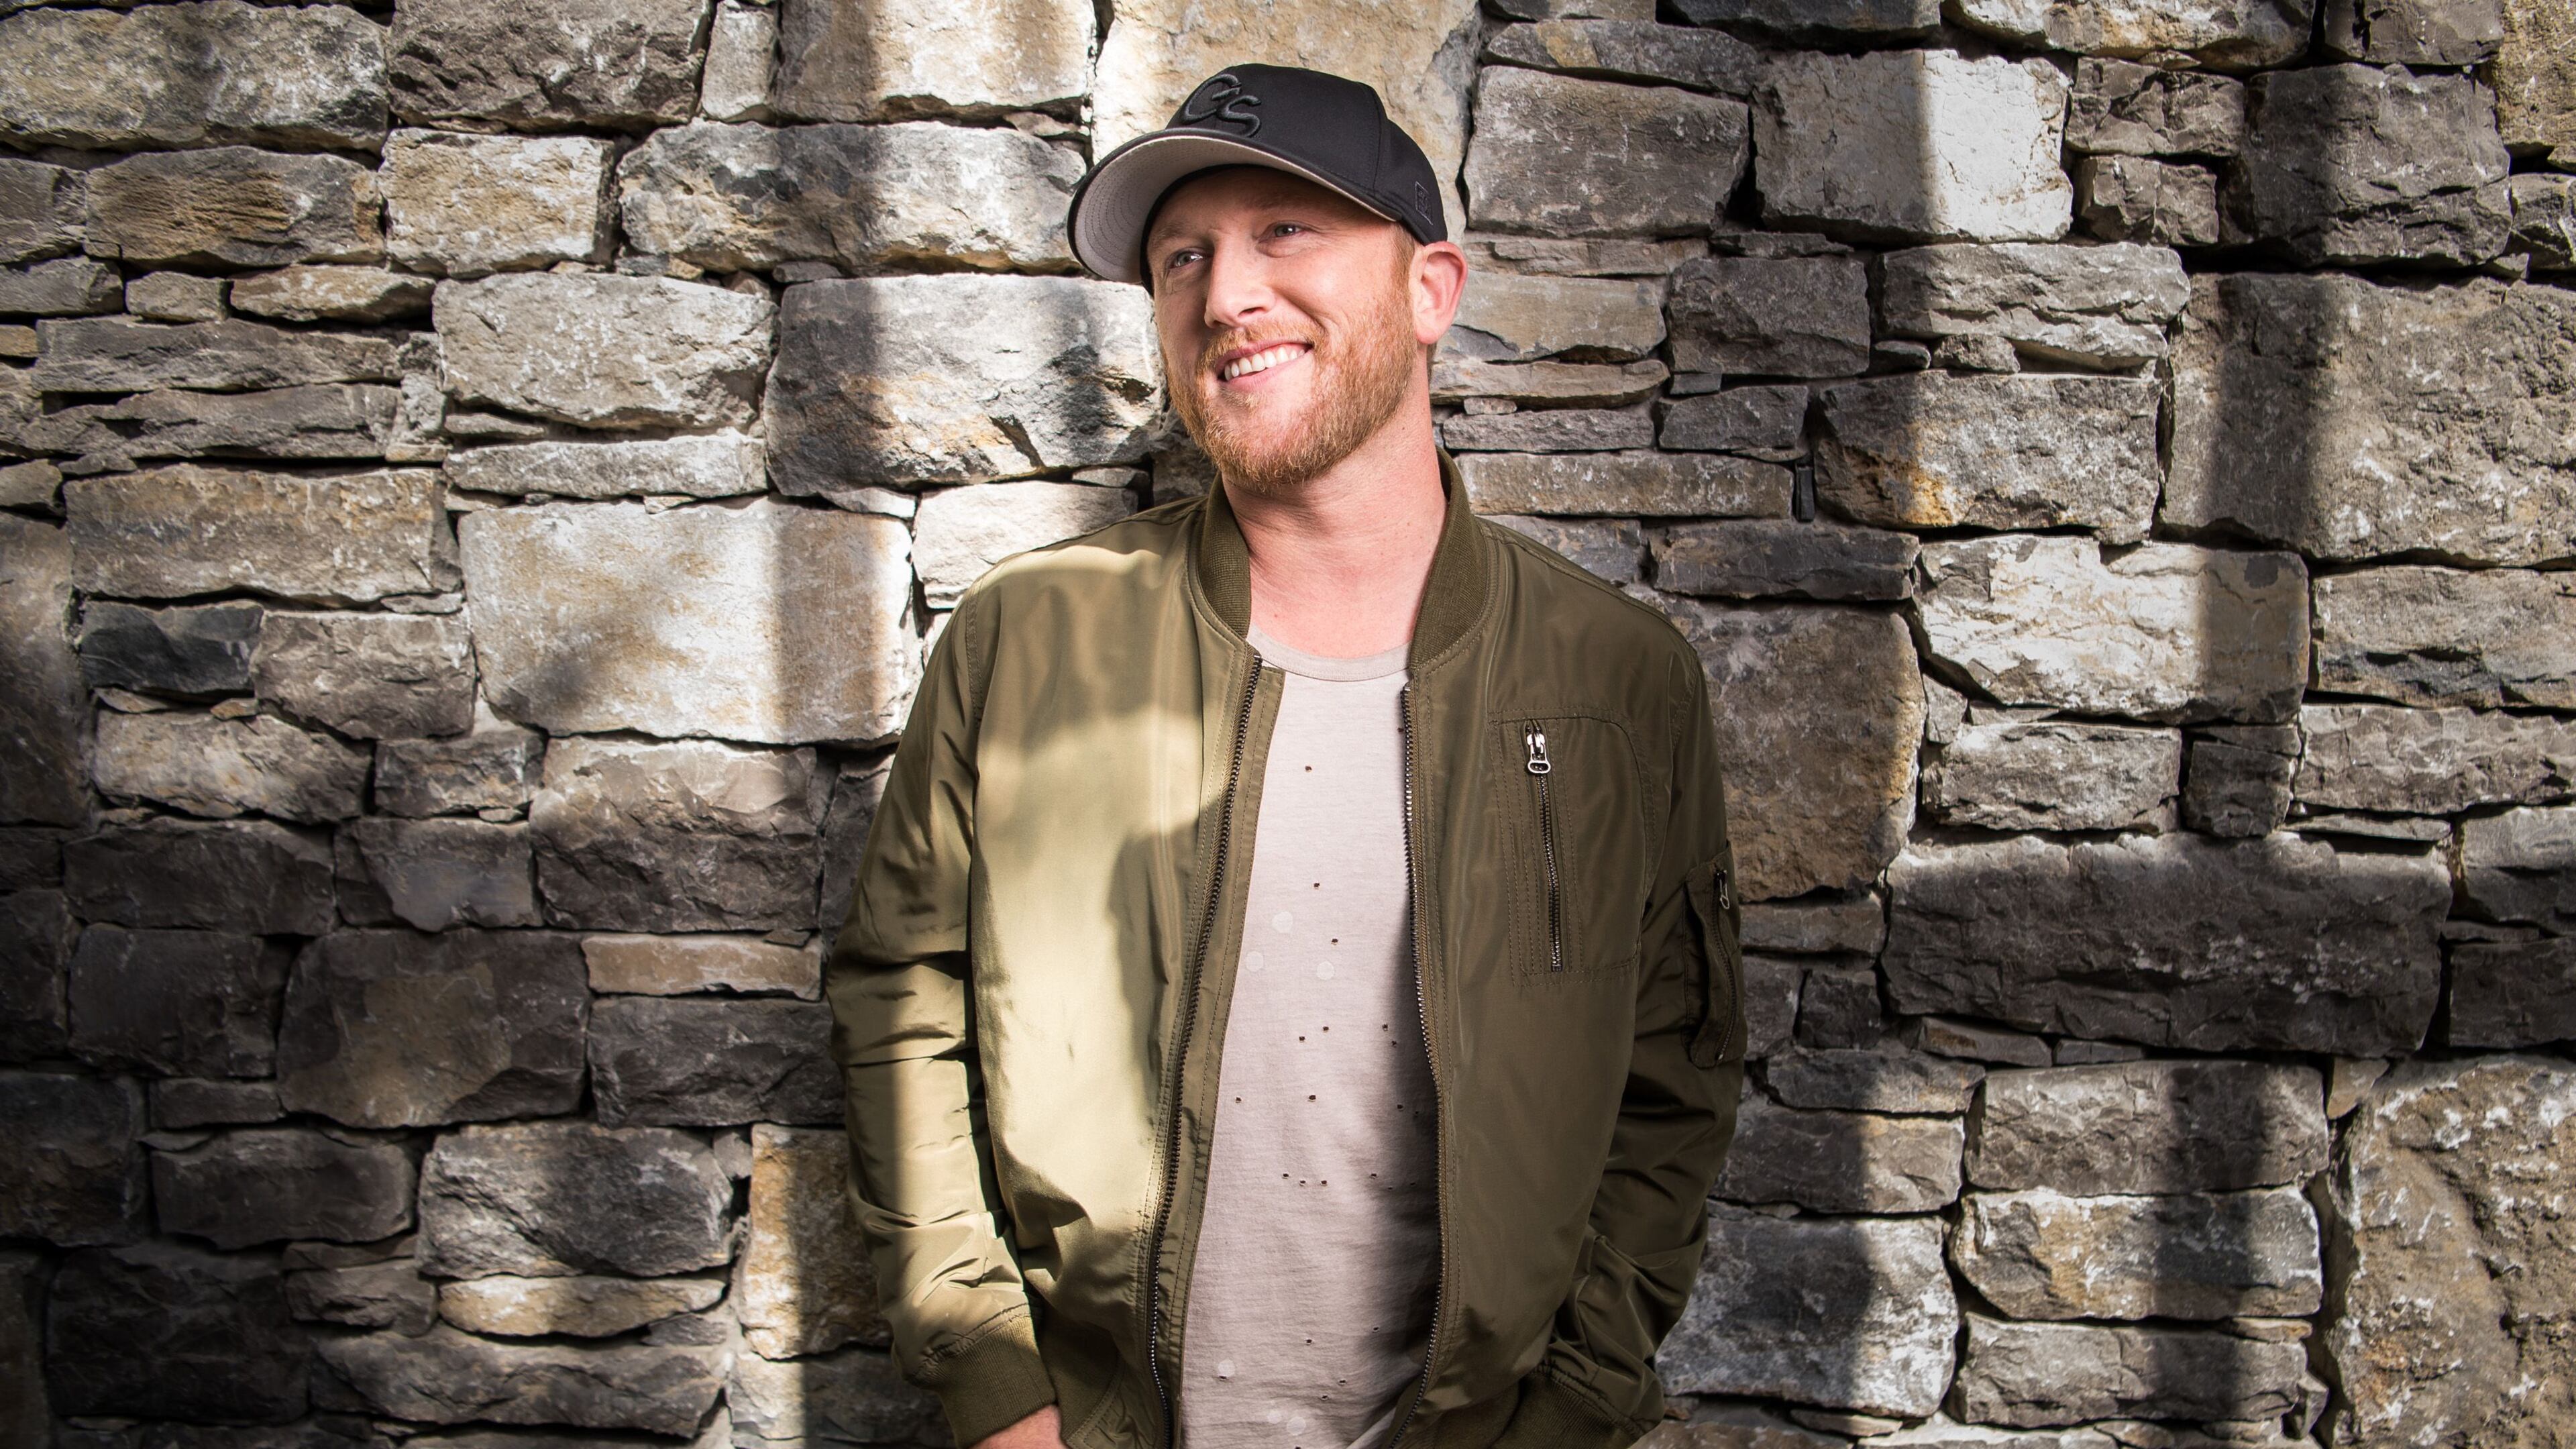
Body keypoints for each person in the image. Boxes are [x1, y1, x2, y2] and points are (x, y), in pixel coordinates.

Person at [826, 63, 1746, 1449]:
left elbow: (1675, 1078)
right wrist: (996, 1388)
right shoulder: (1031, 642)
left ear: (1432, 290)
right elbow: (905, 1003)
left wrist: (1576, 1405)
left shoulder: (1616, 680)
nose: (1227, 294)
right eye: (1183, 257)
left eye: (1287, 234)